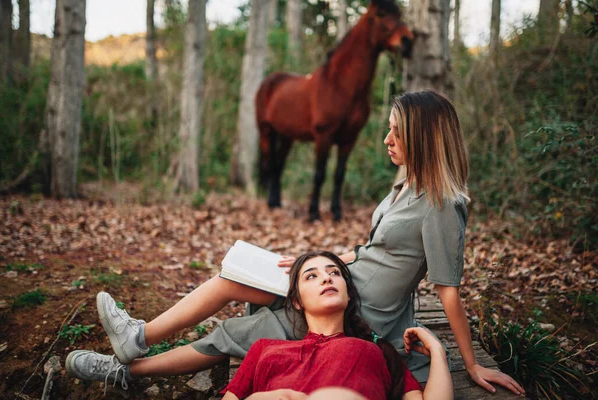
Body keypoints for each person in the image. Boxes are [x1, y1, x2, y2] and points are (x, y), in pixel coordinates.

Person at [66, 90, 524, 396]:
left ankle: (124, 370)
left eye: (396, 132)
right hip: (346, 279)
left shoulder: (443, 205)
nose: (386, 139)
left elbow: (448, 289)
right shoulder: (408, 183)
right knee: (234, 276)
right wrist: (330, 258)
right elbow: (384, 249)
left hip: (366, 310)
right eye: (388, 128)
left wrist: (470, 363)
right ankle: (137, 337)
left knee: (232, 334)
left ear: (423, 138)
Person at [67, 251, 453, 400]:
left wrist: (436, 349)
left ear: (350, 294)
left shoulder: (378, 352)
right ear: (296, 301)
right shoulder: (267, 350)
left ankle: (128, 360)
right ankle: (128, 360)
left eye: (335, 273)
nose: (327, 278)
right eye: (312, 276)